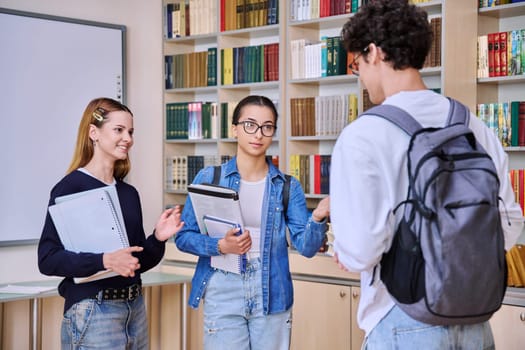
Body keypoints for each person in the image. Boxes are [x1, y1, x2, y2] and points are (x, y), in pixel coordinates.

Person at [329, 1, 524, 349]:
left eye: (356, 63)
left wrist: (346, 250)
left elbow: (360, 251)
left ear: (373, 52)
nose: (359, 74)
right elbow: (508, 225)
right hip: (476, 322)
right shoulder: (473, 125)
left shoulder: (362, 135)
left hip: (401, 319)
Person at [175, 95, 330, 350]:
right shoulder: (209, 177)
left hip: (272, 290)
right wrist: (220, 246)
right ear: (234, 128)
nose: (258, 134)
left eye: (267, 127)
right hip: (223, 285)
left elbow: (306, 247)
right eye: (249, 124)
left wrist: (317, 217)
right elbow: (183, 236)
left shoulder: (288, 186)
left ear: (273, 133)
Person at [38, 97, 184, 349]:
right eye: (119, 130)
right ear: (93, 132)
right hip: (92, 312)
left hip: (134, 308)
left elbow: (135, 263)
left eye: (130, 131)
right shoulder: (69, 189)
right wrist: (104, 260)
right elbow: (48, 259)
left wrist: (158, 238)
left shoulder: (128, 193)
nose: (128, 138)